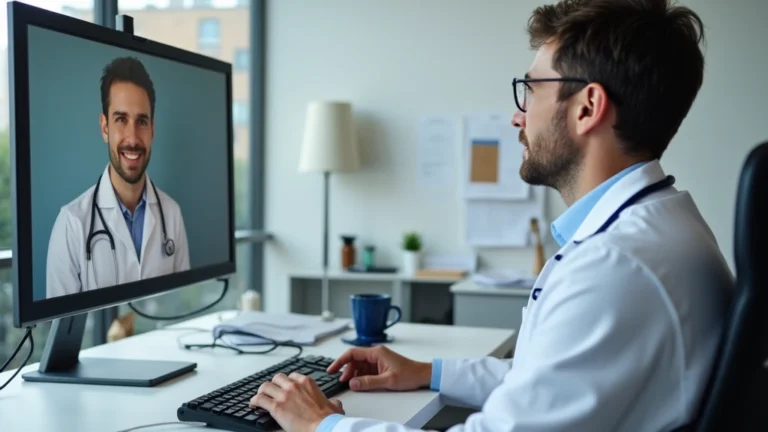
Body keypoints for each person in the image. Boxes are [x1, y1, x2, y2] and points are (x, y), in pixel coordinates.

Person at [247, 0, 736, 431]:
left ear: (588, 107)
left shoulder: (616, 264)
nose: (517, 116)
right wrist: (426, 372)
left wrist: (323, 426)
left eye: (531, 89)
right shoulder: (660, 229)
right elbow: (547, 381)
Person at [46, 56, 190, 298]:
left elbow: (181, 310)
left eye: (141, 121)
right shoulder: (70, 225)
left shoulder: (172, 214)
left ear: (152, 130)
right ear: (105, 128)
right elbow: (61, 330)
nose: (133, 138)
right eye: (121, 120)